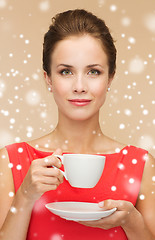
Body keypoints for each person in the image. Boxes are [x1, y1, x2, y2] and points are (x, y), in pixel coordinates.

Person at [0, 9, 155, 240]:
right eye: (66, 72)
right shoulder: (11, 162)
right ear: (48, 79)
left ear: (110, 78)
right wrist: (25, 195)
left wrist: (130, 221)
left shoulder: (141, 166)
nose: (80, 86)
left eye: (93, 71)